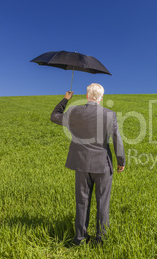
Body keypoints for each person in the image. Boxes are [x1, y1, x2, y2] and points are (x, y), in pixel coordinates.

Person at [50, 83, 125, 245]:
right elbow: (117, 140)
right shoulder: (109, 114)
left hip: (81, 164)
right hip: (102, 165)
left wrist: (65, 99)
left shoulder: (75, 111)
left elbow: (54, 116)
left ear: (87, 96)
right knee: (102, 202)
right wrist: (121, 161)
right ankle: (101, 239)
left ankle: (80, 239)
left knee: (82, 201)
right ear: (101, 97)